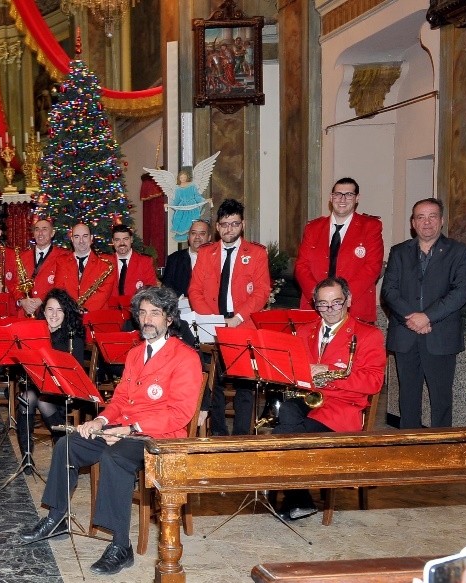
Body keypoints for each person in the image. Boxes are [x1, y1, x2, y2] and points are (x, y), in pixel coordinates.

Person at [18, 286, 201, 576]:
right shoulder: (135, 354)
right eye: (143, 313)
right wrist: (101, 422)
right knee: (68, 444)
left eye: (155, 313)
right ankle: (57, 518)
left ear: (169, 319)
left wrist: (129, 429)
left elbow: (180, 414)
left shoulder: (185, 357)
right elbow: (119, 400)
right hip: (123, 429)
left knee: (114, 457)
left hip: (159, 438)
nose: (147, 319)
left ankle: (121, 545)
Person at [272, 277, 386, 520]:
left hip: (342, 407)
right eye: (323, 304)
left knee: (286, 433)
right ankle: (301, 498)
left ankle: (297, 497)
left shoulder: (368, 334)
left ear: (348, 300)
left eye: (336, 302)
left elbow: (374, 382)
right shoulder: (306, 330)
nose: (330, 309)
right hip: (310, 399)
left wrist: (329, 372)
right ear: (315, 304)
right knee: (287, 411)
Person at [381, 198, 466, 429]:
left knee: (441, 400)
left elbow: (461, 291)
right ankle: (409, 444)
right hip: (405, 335)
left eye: (432, 216)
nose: (427, 222)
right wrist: (412, 317)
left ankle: (440, 447)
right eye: (420, 217)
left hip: (440, 336)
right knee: (407, 398)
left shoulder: (459, 252)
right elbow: (389, 291)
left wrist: (427, 316)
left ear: (441, 221)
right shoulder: (399, 252)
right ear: (413, 223)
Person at [188, 198, 271, 436]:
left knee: (245, 386)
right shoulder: (206, 253)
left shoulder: (256, 253)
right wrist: (213, 319)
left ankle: (242, 437)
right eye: (224, 224)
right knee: (213, 384)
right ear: (217, 227)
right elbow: (195, 291)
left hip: (243, 326)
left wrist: (238, 317)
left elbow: (261, 291)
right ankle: (219, 434)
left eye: (234, 224)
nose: (229, 229)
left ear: (242, 224)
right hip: (212, 328)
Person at [294, 178, 384, 322]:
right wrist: (320, 299)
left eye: (349, 194)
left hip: (354, 306)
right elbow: (301, 266)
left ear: (357, 198)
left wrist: (342, 298)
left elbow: (372, 267)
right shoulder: (313, 228)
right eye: (338, 194)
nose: (342, 199)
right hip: (315, 308)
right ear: (331, 197)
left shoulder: (370, 227)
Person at [17, 289, 87, 463]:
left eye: (59, 310)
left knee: (43, 400)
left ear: (66, 313)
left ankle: (63, 442)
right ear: (44, 311)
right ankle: (26, 455)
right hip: (39, 387)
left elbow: (76, 375)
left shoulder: (73, 338)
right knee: (26, 398)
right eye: (50, 309)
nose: (54, 314)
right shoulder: (34, 335)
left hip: (65, 392)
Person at [18, 218, 74, 317]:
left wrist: (42, 299)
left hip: (51, 314)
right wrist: (22, 301)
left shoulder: (64, 256)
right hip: (25, 313)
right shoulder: (22, 256)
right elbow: (15, 283)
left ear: (52, 233)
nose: (40, 233)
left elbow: (63, 285)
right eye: (37, 229)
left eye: (44, 229)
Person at [59, 222, 117, 313]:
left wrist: (83, 312)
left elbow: (104, 293)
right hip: (69, 315)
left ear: (91, 238)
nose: (81, 241)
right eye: (77, 237)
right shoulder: (61, 262)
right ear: (72, 239)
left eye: (85, 236)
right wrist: (70, 312)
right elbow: (59, 291)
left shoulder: (106, 263)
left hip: (96, 316)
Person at [161, 219, 211, 298]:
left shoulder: (217, 259)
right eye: (193, 233)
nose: (197, 237)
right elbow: (166, 287)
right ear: (188, 236)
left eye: (202, 233)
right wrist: (182, 298)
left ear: (209, 237)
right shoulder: (174, 259)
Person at [110, 224, 158, 301]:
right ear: (113, 241)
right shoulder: (106, 263)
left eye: (125, 239)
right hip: (112, 307)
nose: (122, 243)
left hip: (136, 307)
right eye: (117, 240)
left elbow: (151, 291)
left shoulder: (145, 262)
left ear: (131, 239)